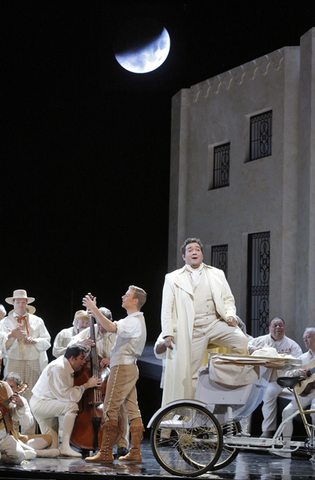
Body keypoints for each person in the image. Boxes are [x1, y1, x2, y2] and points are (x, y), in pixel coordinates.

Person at [161, 237, 248, 405]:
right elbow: (167, 308)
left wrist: (230, 315)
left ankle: (220, 376)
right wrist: (168, 333)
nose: (194, 252)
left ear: (202, 254)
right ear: (183, 256)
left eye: (197, 249)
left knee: (241, 341)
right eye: (190, 250)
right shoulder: (172, 278)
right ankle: (194, 409)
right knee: (191, 374)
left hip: (215, 324)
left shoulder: (216, 273)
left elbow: (228, 299)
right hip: (194, 330)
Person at [82, 285, 147, 464]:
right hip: (129, 367)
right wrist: (95, 313)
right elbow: (110, 325)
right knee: (132, 407)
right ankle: (134, 452)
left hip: (122, 368)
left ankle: (106, 452)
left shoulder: (133, 321)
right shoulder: (135, 320)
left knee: (110, 408)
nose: (123, 296)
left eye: (127, 295)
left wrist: (94, 309)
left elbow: (110, 327)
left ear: (135, 301)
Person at [68, 307, 129, 458]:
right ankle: (84, 439)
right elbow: (70, 348)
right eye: (98, 324)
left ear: (110, 321)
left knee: (120, 407)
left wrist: (112, 359)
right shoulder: (90, 330)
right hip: (90, 376)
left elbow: (128, 354)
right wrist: (82, 343)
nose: (100, 328)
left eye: (103, 324)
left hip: (110, 376)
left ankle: (122, 444)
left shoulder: (118, 334)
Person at [30, 344, 101, 457]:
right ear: (72, 358)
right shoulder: (58, 368)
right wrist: (86, 385)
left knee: (52, 449)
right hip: (41, 403)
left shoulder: (65, 365)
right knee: (71, 406)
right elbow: (65, 396)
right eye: (81, 358)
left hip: (47, 403)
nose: (84, 362)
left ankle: (28, 450)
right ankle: (65, 447)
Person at [0, 289, 51, 433]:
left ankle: (29, 434)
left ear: (27, 303)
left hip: (32, 361)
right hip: (14, 361)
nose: (21, 305)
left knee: (31, 396)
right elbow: (3, 345)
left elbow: (47, 341)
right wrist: (14, 336)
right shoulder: (6, 322)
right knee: (10, 395)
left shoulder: (37, 320)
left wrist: (34, 340)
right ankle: (10, 431)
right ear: (13, 303)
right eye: (18, 302)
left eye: (23, 302)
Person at [248, 316, 302, 438]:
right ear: (269, 328)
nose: (278, 328)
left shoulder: (292, 345)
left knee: (269, 392)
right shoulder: (260, 341)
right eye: (275, 325)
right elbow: (248, 345)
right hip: (259, 378)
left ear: (284, 327)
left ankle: (267, 431)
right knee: (245, 394)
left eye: (280, 325)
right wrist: (252, 349)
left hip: (279, 381)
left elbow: (298, 363)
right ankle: (243, 432)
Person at [3, 372, 59, 458]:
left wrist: (21, 406)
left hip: (17, 437)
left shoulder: (22, 401)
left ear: (18, 389)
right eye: (7, 386)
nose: (9, 389)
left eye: (12, 387)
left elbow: (27, 425)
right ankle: (37, 453)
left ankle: (23, 450)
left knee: (48, 438)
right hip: (4, 437)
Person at [280, 327, 315, 454]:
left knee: (314, 412)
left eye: (308, 337)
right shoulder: (303, 357)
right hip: (304, 392)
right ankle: (286, 448)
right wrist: (297, 372)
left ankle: (313, 444)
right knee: (286, 412)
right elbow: (288, 373)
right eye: (304, 337)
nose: (305, 339)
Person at [0, 379, 26, 464]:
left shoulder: (4, 387)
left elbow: (13, 414)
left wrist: (20, 406)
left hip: (3, 436)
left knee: (19, 456)